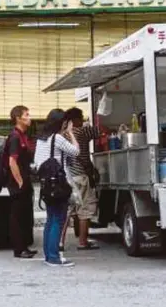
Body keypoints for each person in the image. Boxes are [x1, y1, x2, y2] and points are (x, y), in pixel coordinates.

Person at [34, 109, 79, 267]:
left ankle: (49, 255)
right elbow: (75, 151)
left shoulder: (41, 139)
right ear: (62, 122)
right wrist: (71, 133)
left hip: (47, 184)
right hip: (60, 184)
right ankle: (54, 257)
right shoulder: (58, 138)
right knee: (58, 220)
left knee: (50, 219)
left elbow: (37, 162)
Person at [60, 107, 102, 250]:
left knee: (68, 210)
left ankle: (60, 242)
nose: (83, 120)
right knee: (84, 210)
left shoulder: (62, 134)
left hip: (68, 176)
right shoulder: (82, 131)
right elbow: (101, 130)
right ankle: (83, 242)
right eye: (81, 118)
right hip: (80, 176)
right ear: (76, 120)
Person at [6, 105, 37, 259]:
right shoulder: (15, 137)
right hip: (18, 183)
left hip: (25, 180)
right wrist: (19, 182)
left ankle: (25, 245)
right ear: (18, 118)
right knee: (18, 216)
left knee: (26, 215)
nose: (29, 117)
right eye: (27, 114)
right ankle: (19, 249)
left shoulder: (24, 135)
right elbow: (12, 161)